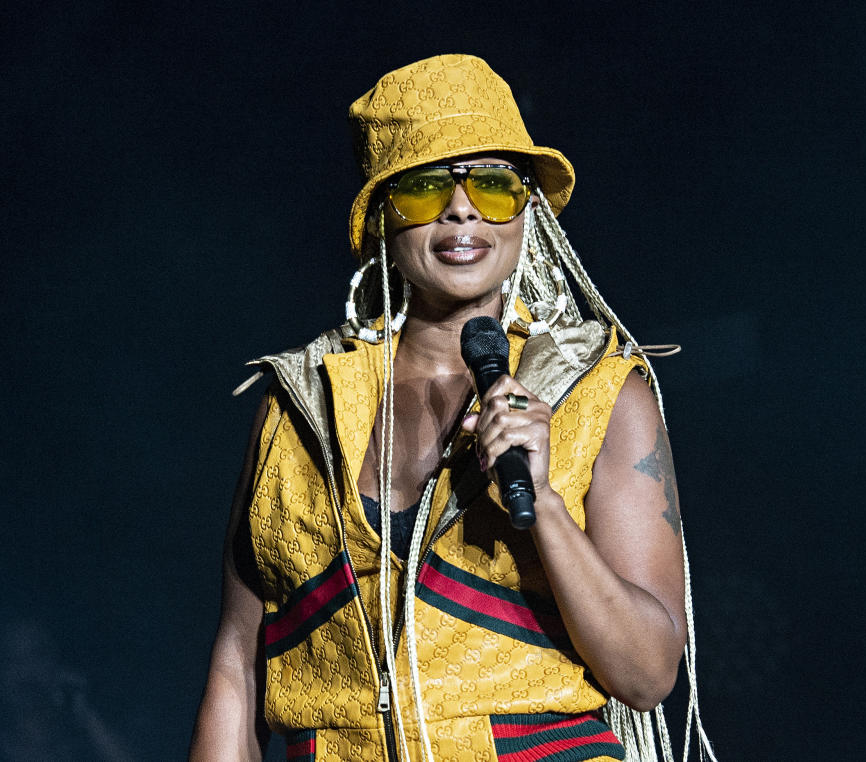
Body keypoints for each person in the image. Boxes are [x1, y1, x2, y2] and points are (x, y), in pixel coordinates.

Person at [190, 54, 713, 762]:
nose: (462, 209)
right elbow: (236, 666)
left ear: (527, 211)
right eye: (427, 187)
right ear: (380, 216)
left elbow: (648, 674)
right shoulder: (302, 406)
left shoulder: (601, 393)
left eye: (494, 185)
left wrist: (546, 509)